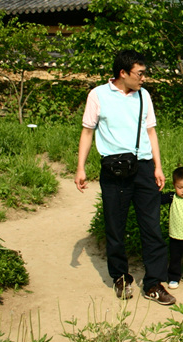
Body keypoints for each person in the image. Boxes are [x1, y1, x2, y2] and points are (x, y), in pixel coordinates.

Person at [74, 49, 176, 306]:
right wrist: (80, 168)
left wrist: (158, 166)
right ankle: (120, 277)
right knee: (115, 226)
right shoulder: (98, 95)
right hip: (114, 169)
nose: (143, 78)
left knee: (152, 227)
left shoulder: (144, 96)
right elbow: (87, 132)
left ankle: (153, 283)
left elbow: (151, 132)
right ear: (123, 73)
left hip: (143, 167)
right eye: (139, 73)